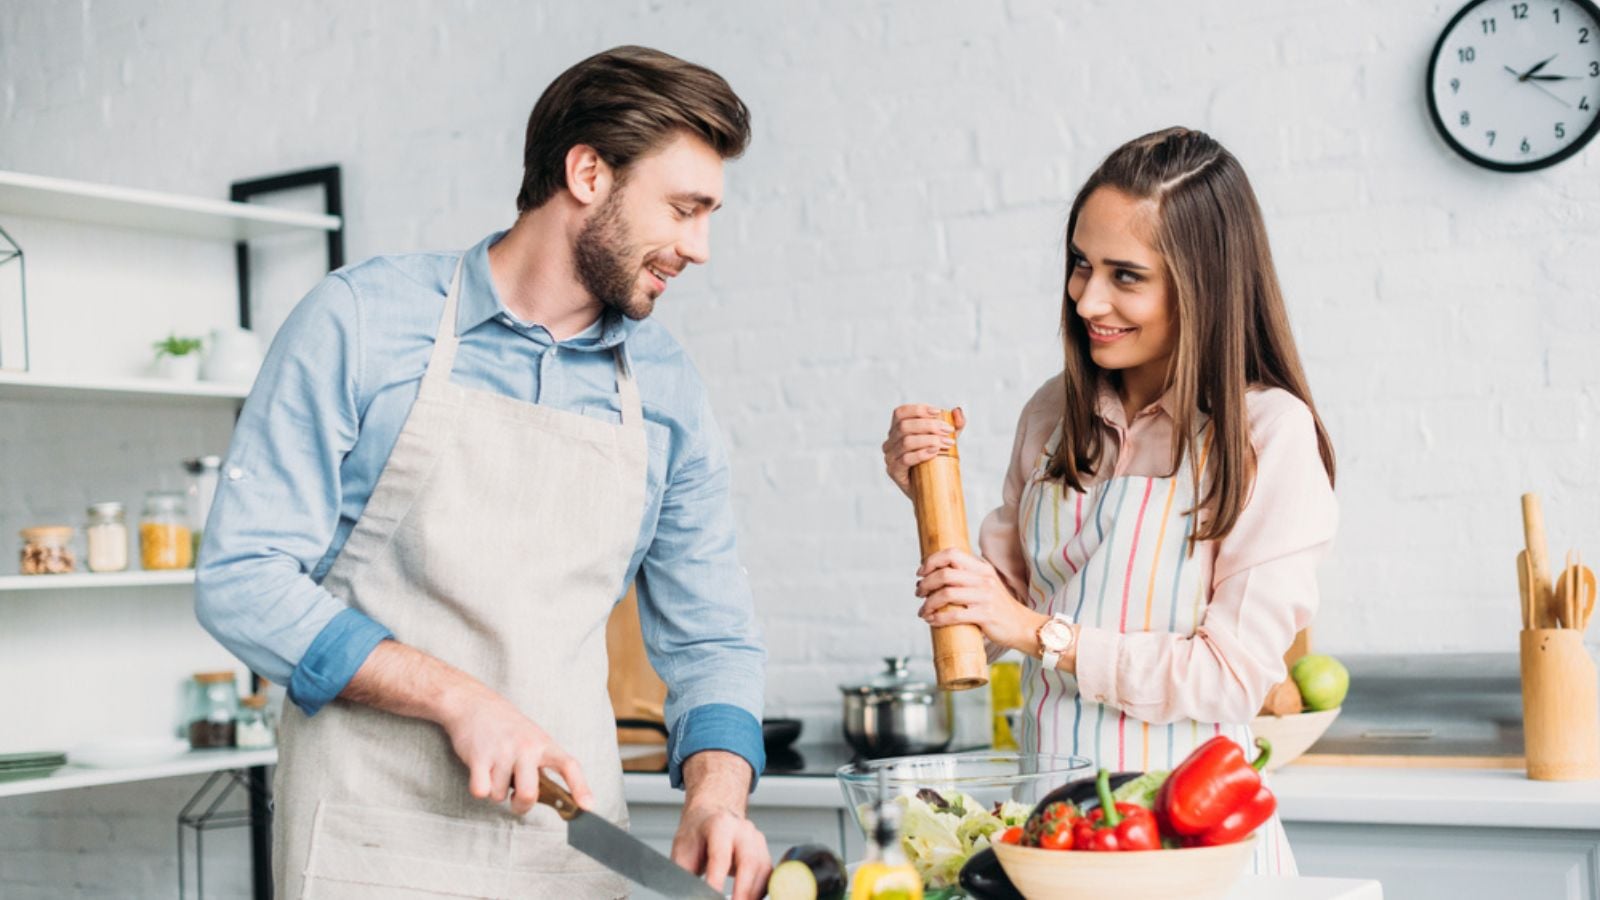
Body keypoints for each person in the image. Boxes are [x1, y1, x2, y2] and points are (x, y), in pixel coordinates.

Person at [196, 46, 771, 899]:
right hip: (368, 843)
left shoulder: (668, 393)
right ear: (586, 173)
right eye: (684, 209)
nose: (700, 246)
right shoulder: (362, 325)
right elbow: (242, 578)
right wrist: (456, 698)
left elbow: (711, 638)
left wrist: (717, 796)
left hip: (572, 853)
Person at [882, 127, 1337, 874]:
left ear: (1205, 286)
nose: (1087, 298)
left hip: (1193, 854)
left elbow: (1230, 676)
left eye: (1126, 276)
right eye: (1080, 265)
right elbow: (989, 626)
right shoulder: (1051, 417)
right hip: (1053, 843)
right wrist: (925, 496)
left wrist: (1044, 636)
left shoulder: (1269, 435)